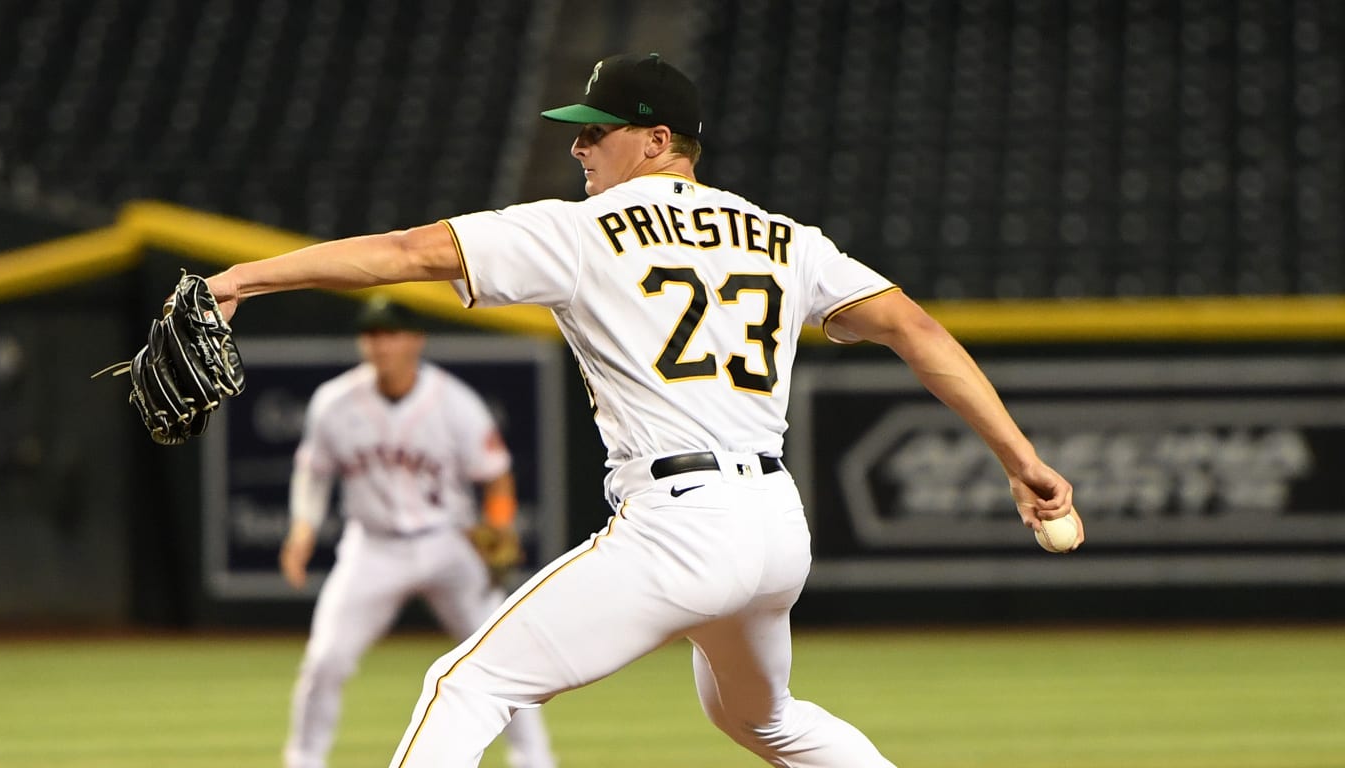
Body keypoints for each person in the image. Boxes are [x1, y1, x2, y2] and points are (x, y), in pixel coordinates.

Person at [207, 52, 1081, 767]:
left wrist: (243, 276)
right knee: (763, 721)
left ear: (659, 140)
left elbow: (405, 252)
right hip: (776, 530)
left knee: (468, 684)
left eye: (598, 131)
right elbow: (914, 328)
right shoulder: (784, 238)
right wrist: (1021, 459)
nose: (580, 149)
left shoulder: (579, 233)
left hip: (680, 526)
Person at [278, 296, 557, 768]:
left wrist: (501, 524)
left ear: (415, 340)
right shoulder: (334, 402)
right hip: (373, 547)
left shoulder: (455, 402)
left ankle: (534, 759)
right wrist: (303, 528)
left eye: (390, 333)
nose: (380, 343)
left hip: (449, 543)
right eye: (372, 334)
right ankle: (303, 761)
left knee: (503, 657)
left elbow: (496, 475)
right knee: (325, 660)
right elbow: (314, 471)